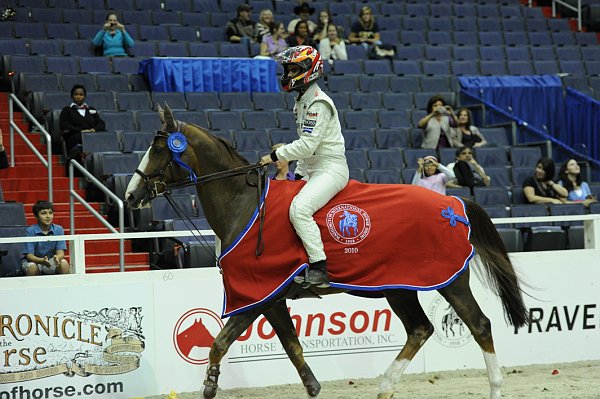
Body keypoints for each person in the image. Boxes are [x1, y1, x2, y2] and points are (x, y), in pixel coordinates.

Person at [260, 46, 348, 288]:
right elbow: (308, 153)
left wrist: (274, 155)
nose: (288, 74)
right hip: (311, 167)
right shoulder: (301, 102)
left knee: (299, 209)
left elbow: (308, 146)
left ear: (310, 71)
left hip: (331, 169)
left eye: (294, 69)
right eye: (287, 69)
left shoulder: (319, 103)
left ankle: (319, 268)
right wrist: (299, 173)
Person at [22, 200, 70, 276]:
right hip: (35, 261)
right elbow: (29, 256)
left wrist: (57, 258)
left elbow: (60, 252)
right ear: (36, 216)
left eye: (50, 213)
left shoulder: (58, 229)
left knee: (64, 263)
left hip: (51, 261)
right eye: (43, 213)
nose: (48, 216)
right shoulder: (30, 231)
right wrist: (41, 261)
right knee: (32, 267)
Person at [59, 84, 106, 160]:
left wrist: (93, 130)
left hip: (92, 135)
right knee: (84, 138)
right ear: (72, 96)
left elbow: (101, 123)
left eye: (81, 94)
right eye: (76, 94)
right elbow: (64, 125)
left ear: (84, 96)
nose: (78, 96)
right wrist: (81, 131)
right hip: (75, 136)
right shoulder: (67, 110)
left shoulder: (91, 110)